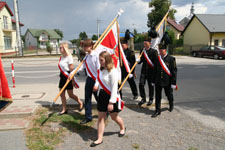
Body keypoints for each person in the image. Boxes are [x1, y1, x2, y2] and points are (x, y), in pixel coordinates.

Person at [91, 51, 126, 147]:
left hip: (111, 96)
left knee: (114, 117)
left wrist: (111, 102)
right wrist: (96, 85)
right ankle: (99, 138)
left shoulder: (113, 72)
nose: (100, 62)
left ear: (106, 60)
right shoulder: (101, 70)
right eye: (99, 60)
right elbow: (98, 79)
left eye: (101, 60)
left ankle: (122, 127)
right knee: (100, 117)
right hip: (102, 96)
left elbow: (115, 88)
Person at [151, 44, 177, 118]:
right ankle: (157, 110)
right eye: (159, 50)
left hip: (167, 81)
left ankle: (171, 104)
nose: (160, 52)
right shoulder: (157, 59)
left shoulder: (171, 59)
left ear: (165, 50)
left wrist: (173, 83)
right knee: (158, 96)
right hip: (158, 81)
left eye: (162, 50)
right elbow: (155, 70)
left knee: (168, 94)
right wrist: (153, 81)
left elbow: (174, 72)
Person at [77, 39, 99, 124]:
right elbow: (82, 67)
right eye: (83, 46)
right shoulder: (86, 56)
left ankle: (105, 112)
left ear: (91, 46)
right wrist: (72, 73)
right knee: (87, 99)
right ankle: (88, 116)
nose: (84, 48)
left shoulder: (96, 56)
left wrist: (97, 84)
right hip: (89, 79)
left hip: (96, 80)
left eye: (86, 46)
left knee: (99, 99)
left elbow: (99, 71)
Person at [58, 43, 83, 115]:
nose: (60, 49)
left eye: (61, 48)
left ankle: (80, 102)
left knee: (70, 95)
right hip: (62, 76)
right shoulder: (61, 57)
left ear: (65, 48)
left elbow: (71, 69)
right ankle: (64, 109)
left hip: (68, 76)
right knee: (62, 94)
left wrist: (72, 80)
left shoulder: (69, 57)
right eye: (59, 48)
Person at [138, 38, 157, 106]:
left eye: (146, 44)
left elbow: (156, 62)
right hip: (143, 71)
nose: (145, 45)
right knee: (141, 84)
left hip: (151, 72)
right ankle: (143, 98)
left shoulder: (154, 52)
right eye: (144, 44)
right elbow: (141, 61)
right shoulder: (142, 51)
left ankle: (151, 99)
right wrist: (138, 61)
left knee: (150, 86)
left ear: (150, 43)